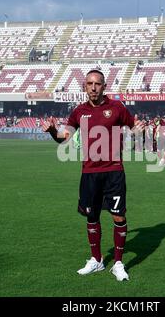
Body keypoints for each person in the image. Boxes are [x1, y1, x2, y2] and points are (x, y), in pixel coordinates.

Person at [41, 69, 144, 281]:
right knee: (91, 216)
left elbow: (133, 128)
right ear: (84, 86)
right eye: (89, 83)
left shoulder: (117, 107)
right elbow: (64, 138)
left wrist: (137, 131)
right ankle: (96, 261)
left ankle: (117, 263)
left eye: (97, 83)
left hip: (114, 172)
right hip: (89, 173)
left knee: (118, 216)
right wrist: (53, 130)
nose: (93, 87)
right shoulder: (78, 112)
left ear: (104, 86)